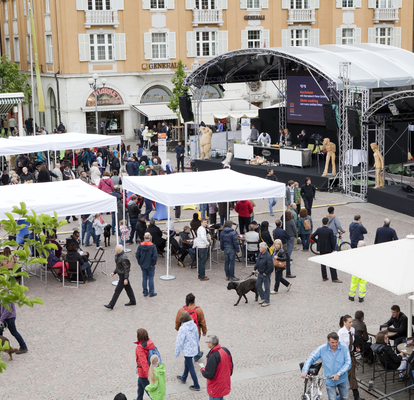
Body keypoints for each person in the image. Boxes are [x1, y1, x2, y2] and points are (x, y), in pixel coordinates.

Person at [301, 332, 351, 400]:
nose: (335, 344)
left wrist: (339, 374)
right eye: (332, 342)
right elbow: (311, 358)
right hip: (329, 379)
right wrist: (304, 371)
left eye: (336, 342)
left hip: (342, 379)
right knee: (332, 398)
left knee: (344, 398)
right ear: (328, 341)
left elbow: (348, 363)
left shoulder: (344, 347)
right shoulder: (322, 349)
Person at [175, 293, 207, 362]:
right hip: (196, 331)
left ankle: (188, 355)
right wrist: (204, 331)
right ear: (194, 300)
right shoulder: (198, 310)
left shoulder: (181, 310)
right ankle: (196, 355)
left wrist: (177, 328)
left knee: (186, 343)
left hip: (185, 332)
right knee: (196, 343)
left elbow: (178, 320)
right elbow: (202, 322)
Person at [338, 315, 363, 400]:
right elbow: (339, 346)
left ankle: (356, 396)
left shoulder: (352, 330)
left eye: (352, 321)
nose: (351, 323)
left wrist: (356, 347)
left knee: (352, 374)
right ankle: (339, 392)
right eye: (349, 322)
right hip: (344, 356)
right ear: (344, 322)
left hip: (351, 354)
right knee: (345, 374)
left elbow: (353, 341)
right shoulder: (341, 332)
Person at [200, 335, 233, 400]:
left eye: (207, 342)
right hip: (224, 382)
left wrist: (202, 369)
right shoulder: (225, 350)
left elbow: (209, 374)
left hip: (215, 386)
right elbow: (231, 365)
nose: (206, 344)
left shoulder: (213, 356)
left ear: (211, 344)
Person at [175, 311, 201, 392]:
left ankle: (196, 385)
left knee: (191, 366)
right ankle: (183, 377)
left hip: (187, 350)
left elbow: (179, 341)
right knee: (187, 363)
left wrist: (177, 352)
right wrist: (197, 347)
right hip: (193, 349)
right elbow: (197, 337)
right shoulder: (194, 325)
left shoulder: (183, 328)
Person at [311, 217, 342, 283]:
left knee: (323, 263)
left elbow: (312, 236)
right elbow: (331, 241)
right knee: (331, 263)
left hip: (321, 248)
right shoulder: (330, 230)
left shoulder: (319, 230)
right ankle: (334, 278)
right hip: (328, 248)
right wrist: (333, 248)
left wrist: (318, 241)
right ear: (327, 222)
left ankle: (324, 277)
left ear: (322, 222)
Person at [105, 245, 136, 309]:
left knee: (117, 291)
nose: (115, 249)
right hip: (122, 276)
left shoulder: (123, 258)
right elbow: (119, 267)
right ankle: (133, 301)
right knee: (128, 289)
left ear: (119, 250)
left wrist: (125, 278)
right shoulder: (120, 256)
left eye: (116, 248)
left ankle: (111, 304)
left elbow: (126, 269)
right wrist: (114, 272)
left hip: (122, 277)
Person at [134, 328, 155, 400]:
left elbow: (144, 363)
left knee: (149, 391)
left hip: (143, 372)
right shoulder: (149, 342)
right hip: (145, 371)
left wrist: (148, 376)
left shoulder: (140, 348)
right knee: (140, 385)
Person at [136, 232, 158, 297]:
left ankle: (145, 292)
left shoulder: (140, 245)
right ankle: (151, 292)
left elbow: (137, 255)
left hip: (143, 264)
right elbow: (155, 256)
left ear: (144, 237)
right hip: (150, 264)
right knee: (151, 278)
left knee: (144, 278)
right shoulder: (152, 246)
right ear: (150, 237)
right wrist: (153, 263)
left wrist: (140, 262)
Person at [254, 242, 273, 307]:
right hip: (260, 273)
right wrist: (255, 269)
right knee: (258, 285)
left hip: (265, 274)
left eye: (260, 247)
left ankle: (267, 301)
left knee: (267, 287)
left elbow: (271, 267)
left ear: (264, 248)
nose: (259, 248)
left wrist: (266, 272)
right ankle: (263, 297)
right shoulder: (260, 254)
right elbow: (258, 262)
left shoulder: (268, 256)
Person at [282, 211, 296, 279]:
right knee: (290, 249)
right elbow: (294, 228)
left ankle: (286, 258)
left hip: (285, 237)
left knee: (285, 248)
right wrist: (296, 235)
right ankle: (288, 259)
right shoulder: (291, 221)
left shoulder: (282, 221)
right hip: (291, 236)